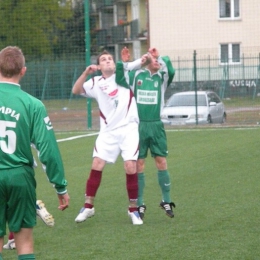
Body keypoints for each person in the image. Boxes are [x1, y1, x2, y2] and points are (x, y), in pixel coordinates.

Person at [0, 46, 70, 260]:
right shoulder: (33, 105)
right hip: (20, 177)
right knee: (24, 242)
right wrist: (60, 187)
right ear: (23, 71)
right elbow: (48, 150)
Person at [72, 50, 149, 225]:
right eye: (103, 60)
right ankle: (88, 206)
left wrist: (145, 58)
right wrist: (86, 73)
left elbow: (138, 63)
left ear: (114, 65)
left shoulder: (124, 75)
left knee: (130, 166)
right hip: (108, 131)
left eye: (110, 59)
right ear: (99, 66)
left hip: (128, 128)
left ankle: (133, 210)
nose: (107, 61)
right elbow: (76, 90)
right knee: (97, 164)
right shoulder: (95, 82)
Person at [116, 47, 176, 219]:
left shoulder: (161, 78)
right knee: (139, 164)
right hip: (139, 126)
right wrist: (126, 62)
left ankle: (166, 200)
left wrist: (158, 56)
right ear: (147, 62)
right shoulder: (137, 76)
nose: (158, 62)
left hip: (156, 125)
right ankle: (140, 204)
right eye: (155, 60)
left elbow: (170, 69)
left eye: (158, 60)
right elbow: (120, 77)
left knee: (161, 161)